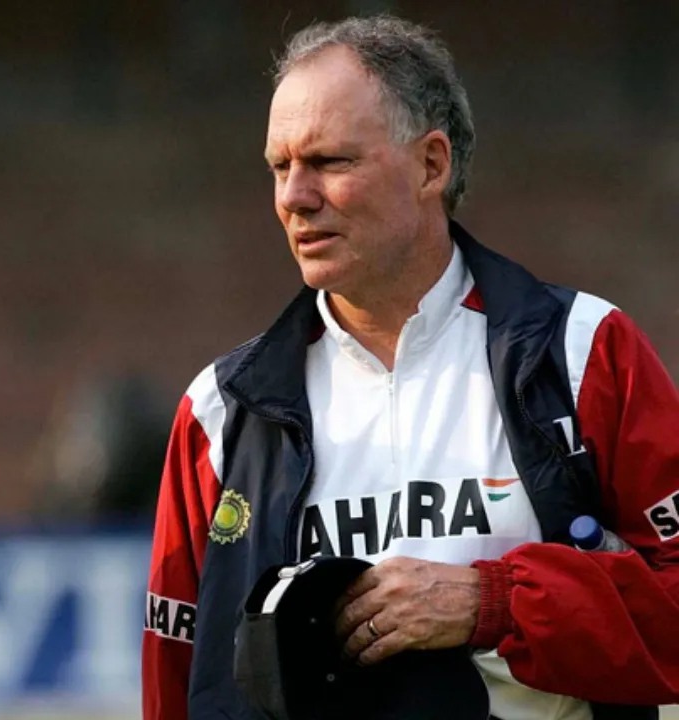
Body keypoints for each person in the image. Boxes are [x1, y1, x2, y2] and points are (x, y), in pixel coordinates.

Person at [142, 15, 679, 720]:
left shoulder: (584, 352)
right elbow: (178, 684)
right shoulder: (221, 411)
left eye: (330, 162)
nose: (293, 197)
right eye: (280, 166)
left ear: (432, 164)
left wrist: (491, 602)